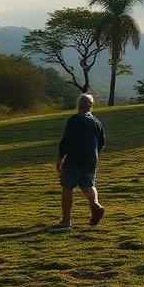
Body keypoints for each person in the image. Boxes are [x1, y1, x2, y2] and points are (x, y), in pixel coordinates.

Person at [54, 94, 106, 229]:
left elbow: (67, 139)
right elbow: (101, 142)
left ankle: (66, 221)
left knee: (67, 187)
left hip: (74, 159)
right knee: (88, 185)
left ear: (79, 105)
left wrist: (60, 157)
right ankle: (95, 204)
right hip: (91, 159)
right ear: (91, 106)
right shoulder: (97, 122)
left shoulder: (74, 120)